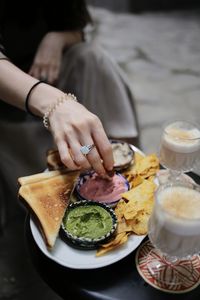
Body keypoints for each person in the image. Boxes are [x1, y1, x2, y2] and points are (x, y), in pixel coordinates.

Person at [0, 0, 139, 225]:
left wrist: (58, 38)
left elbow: (79, 27)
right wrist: (53, 102)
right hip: (8, 102)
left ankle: (123, 164)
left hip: (54, 75)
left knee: (91, 56)